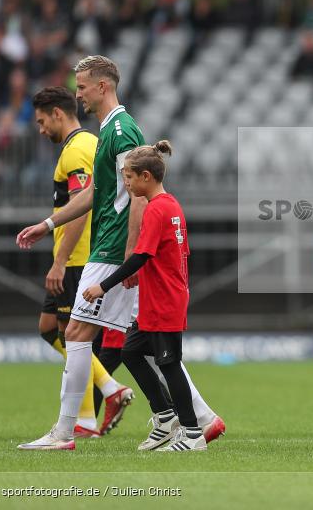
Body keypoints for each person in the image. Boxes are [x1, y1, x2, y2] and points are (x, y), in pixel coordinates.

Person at [15, 55, 223, 450]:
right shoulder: (109, 130)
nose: (78, 94)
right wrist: (50, 224)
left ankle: (65, 432)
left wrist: (130, 256)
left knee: (77, 332)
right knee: (141, 341)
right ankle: (200, 418)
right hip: (110, 247)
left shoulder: (122, 130)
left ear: (103, 86)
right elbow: (96, 193)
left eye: (82, 87)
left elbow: (139, 194)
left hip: (112, 249)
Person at [82, 141, 204, 452]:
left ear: (146, 177)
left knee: (170, 364)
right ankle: (165, 418)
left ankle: (193, 434)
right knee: (130, 352)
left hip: (164, 300)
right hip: (158, 299)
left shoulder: (156, 209)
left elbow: (140, 256)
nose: (126, 183)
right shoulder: (171, 205)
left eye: (128, 177)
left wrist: (102, 286)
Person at [31, 85, 132, 437]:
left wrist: (60, 261)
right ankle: (98, 402)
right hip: (81, 253)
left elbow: (81, 209)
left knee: (72, 334)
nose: (41, 129)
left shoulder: (76, 151)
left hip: (77, 256)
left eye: (42, 122)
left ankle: (98, 404)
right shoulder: (89, 143)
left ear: (58, 114)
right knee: (50, 328)